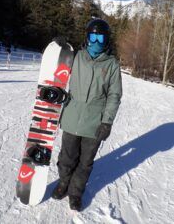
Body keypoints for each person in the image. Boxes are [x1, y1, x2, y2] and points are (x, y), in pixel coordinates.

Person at [52, 18, 122, 211]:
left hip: (94, 123)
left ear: (106, 39)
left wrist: (107, 122)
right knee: (67, 157)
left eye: (101, 37)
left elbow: (114, 95)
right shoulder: (77, 57)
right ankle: (63, 184)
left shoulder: (112, 64)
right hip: (72, 117)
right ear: (87, 37)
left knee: (85, 162)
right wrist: (59, 47)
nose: (97, 41)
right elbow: (57, 64)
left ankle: (75, 193)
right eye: (93, 36)